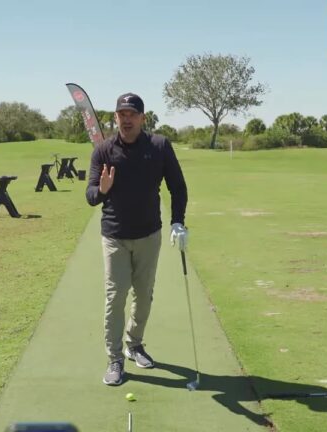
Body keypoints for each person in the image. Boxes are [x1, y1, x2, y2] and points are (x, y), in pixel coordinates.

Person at [86, 92, 188, 386]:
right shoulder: (103, 151)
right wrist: (103, 190)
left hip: (148, 234)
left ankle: (134, 345)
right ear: (115, 117)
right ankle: (115, 358)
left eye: (132, 114)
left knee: (144, 296)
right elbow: (91, 196)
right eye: (122, 114)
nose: (126, 119)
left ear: (143, 118)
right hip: (115, 236)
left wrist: (178, 221)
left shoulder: (159, 146)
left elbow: (177, 187)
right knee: (115, 297)